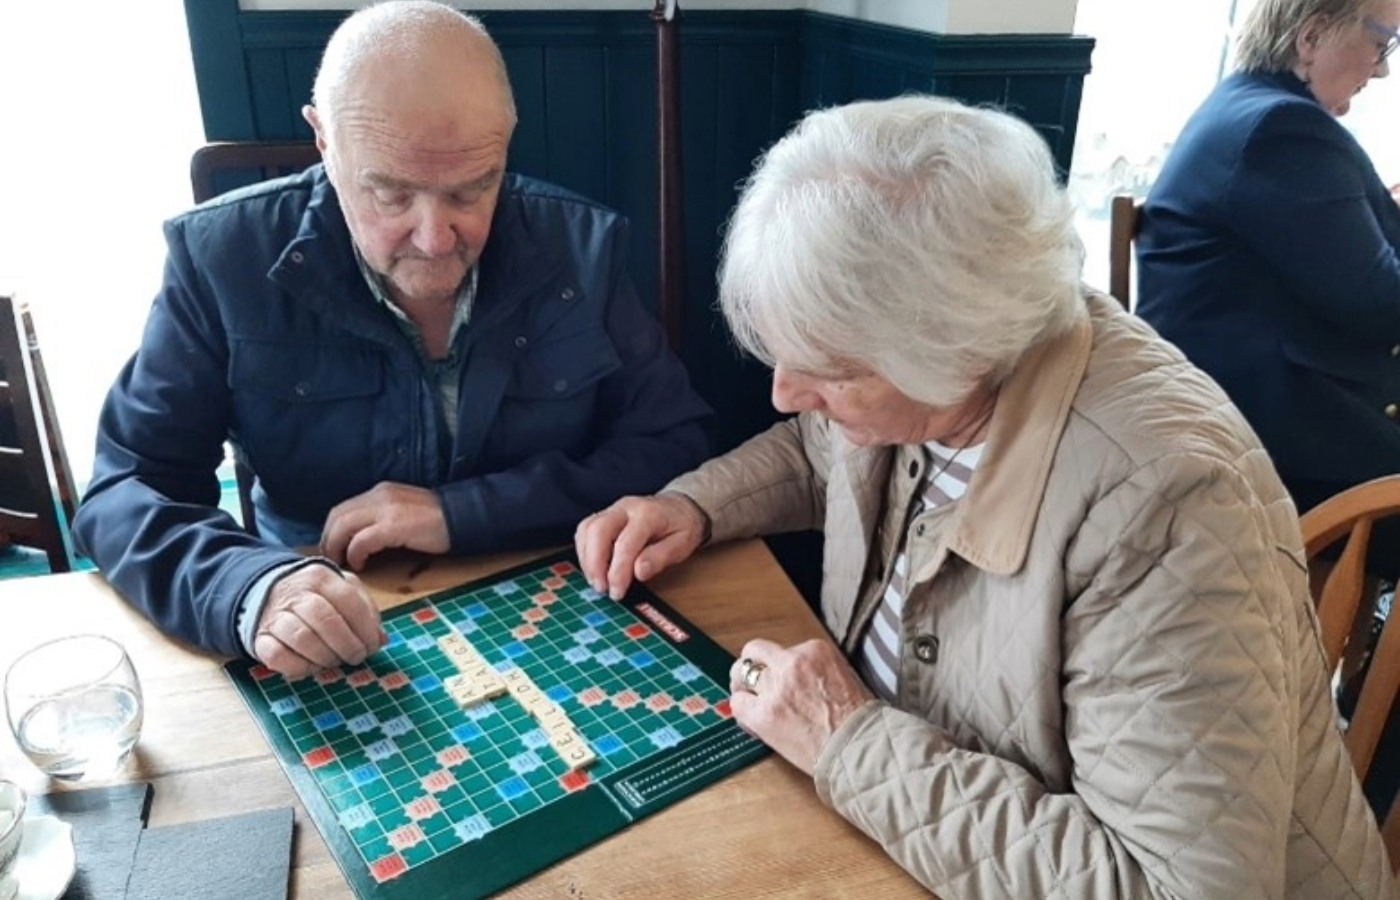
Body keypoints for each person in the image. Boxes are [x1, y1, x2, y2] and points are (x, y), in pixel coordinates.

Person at [575, 96, 1398, 899]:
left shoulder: (1170, 508)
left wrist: (849, 743)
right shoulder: (934, 384)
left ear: (954, 351)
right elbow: (821, 447)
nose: (787, 394)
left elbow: (1174, 887)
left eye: (830, 370)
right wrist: (693, 507)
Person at [73, 0, 711, 680]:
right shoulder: (219, 259)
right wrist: (250, 590)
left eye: (473, 190)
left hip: (556, 616)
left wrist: (459, 514)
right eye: (389, 194)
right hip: (327, 631)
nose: (436, 240)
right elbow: (126, 490)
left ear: (507, 139)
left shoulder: (582, 252)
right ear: (324, 142)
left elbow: (672, 446)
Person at [1136, 0, 1400, 821]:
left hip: (1246, 402)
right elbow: (1378, 304)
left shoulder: (1251, 111)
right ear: (1312, 31)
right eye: (1381, 40)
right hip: (1264, 440)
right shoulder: (1281, 133)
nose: (1385, 66)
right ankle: (1370, 798)